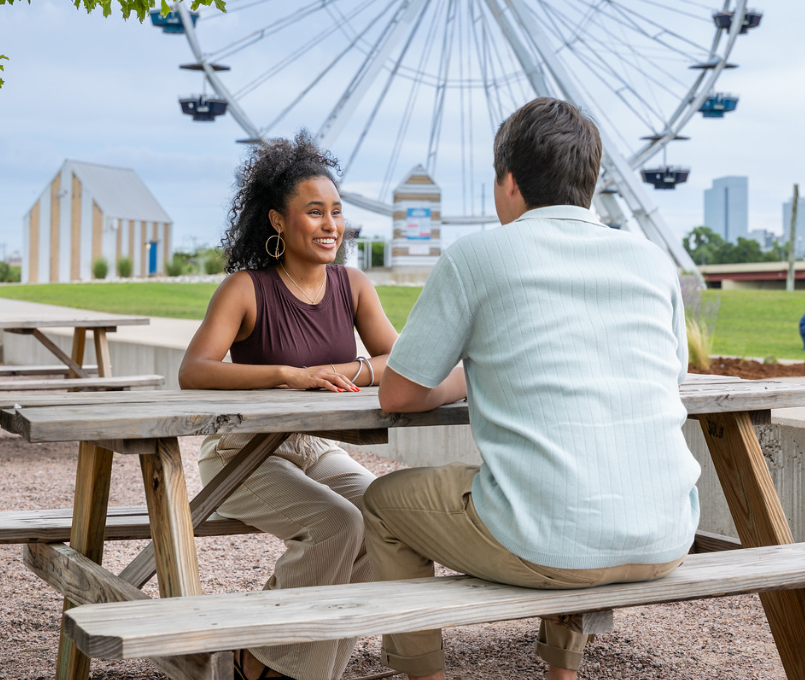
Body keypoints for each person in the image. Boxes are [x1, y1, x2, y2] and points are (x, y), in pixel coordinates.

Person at [361, 98, 702, 680]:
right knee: (568, 471)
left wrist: (467, 378)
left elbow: (397, 393)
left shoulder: (478, 256)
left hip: (551, 544)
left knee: (384, 505)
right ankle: (561, 673)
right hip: (668, 533)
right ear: (590, 183)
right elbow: (670, 375)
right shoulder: (651, 262)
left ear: (509, 182)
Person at [179, 133, 400, 680]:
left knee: (386, 519)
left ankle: (259, 657)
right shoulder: (245, 289)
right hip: (242, 453)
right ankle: (283, 667)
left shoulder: (353, 286)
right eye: (315, 212)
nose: (331, 225)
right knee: (337, 525)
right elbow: (194, 370)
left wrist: (343, 372)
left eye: (337, 212)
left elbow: (396, 358)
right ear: (278, 221)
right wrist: (287, 376)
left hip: (314, 447)